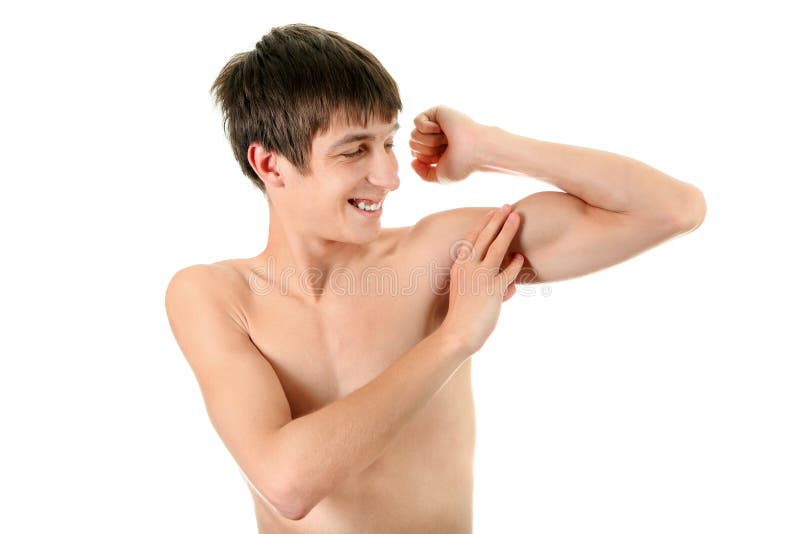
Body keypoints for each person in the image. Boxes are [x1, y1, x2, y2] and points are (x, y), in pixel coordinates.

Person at [164, 23, 705, 532]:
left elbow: (672, 210)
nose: (390, 177)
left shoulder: (436, 256)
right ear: (270, 164)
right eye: (355, 150)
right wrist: (454, 339)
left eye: (388, 143)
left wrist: (491, 148)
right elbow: (287, 483)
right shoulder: (215, 296)